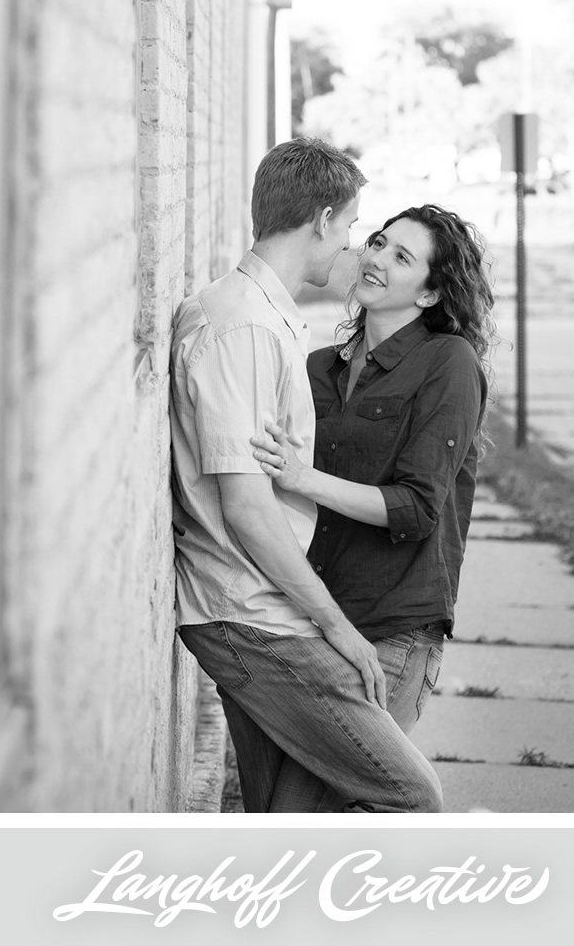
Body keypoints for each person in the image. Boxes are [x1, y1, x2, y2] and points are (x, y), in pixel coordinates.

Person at [169, 137, 442, 813]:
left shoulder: (252, 316)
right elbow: (247, 509)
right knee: (410, 797)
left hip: (253, 606)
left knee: (282, 817)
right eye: (351, 226)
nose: (353, 246)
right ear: (320, 219)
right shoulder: (246, 328)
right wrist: (338, 629)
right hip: (250, 615)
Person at [248, 204, 494, 811]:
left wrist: (305, 479)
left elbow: (415, 508)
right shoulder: (316, 369)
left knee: (305, 815)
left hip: (392, 632)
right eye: (378, 243)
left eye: (401, 257)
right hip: (306, 624)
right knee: (273, 816)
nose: (377, 259)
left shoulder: (449, 364)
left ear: (432, 293)